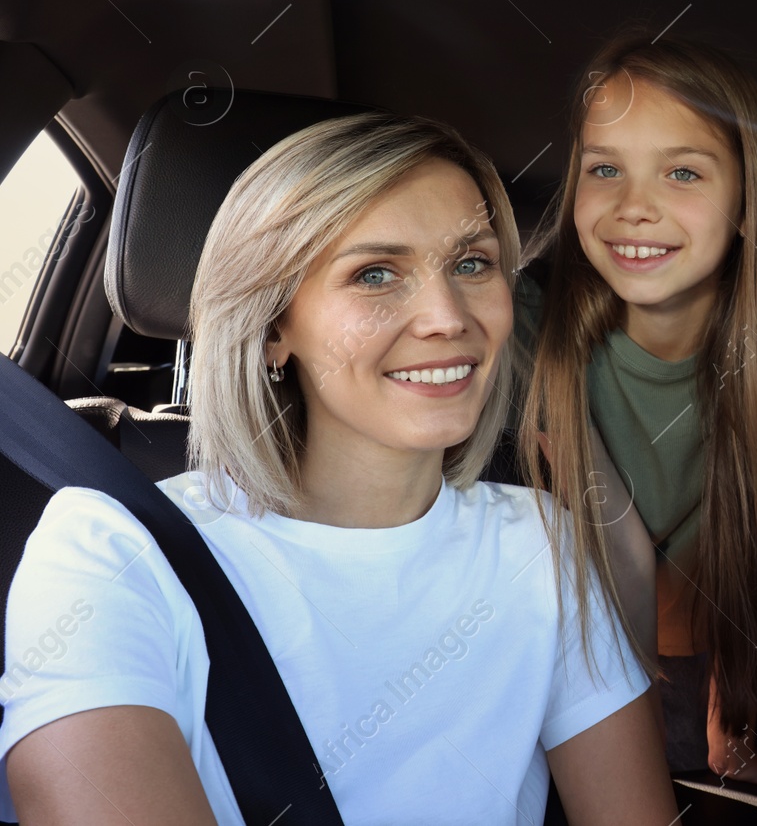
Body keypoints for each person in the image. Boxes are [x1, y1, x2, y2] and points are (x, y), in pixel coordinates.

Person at [0, 114, 678, 825]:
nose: (447, 316)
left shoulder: (545, 544)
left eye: (471, 263)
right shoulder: (110, 550)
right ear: (271, 329)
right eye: (375, 273)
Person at [512, 34, 757, 802]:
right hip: (569, 666)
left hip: (724, 661)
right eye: (604, 169)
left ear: (747, 205)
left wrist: (733, 725)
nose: (634, 207)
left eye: (681, 171)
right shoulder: (534, 322)